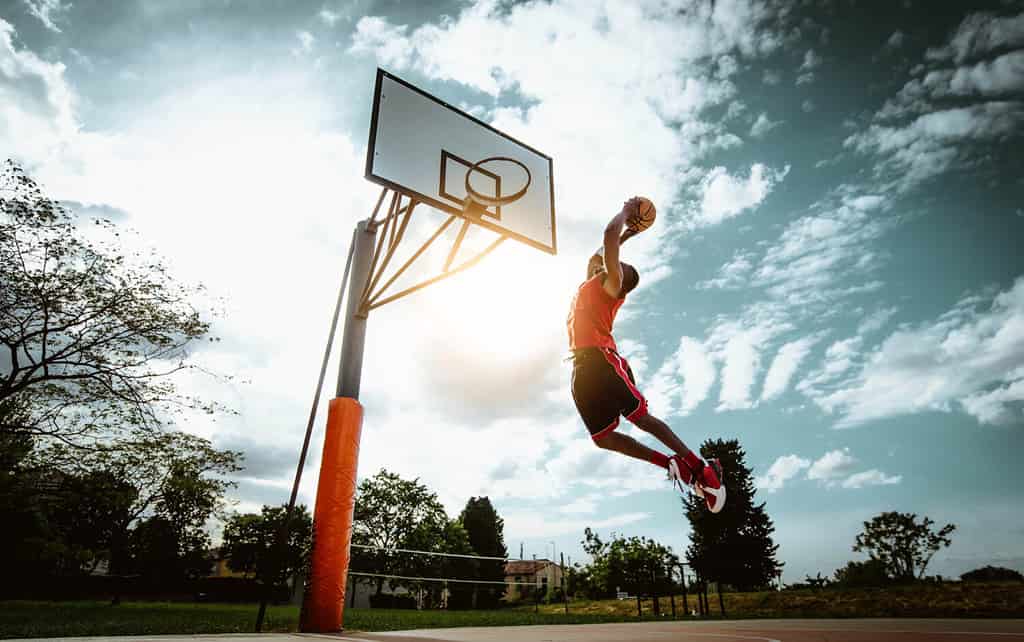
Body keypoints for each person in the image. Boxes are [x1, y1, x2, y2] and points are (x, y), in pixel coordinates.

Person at [567, 197, 726, 513]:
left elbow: (608, 237)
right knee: (602, 437)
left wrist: (626, 215)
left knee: (639, 418)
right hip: (580, 367)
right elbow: (598, 254)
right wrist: (630, 235)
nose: (615, 262)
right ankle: (671, 463)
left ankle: (701, 468)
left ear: (621, 278)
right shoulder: (592, 281)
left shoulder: (611, 286)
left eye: (619, 264)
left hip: (602, 360)